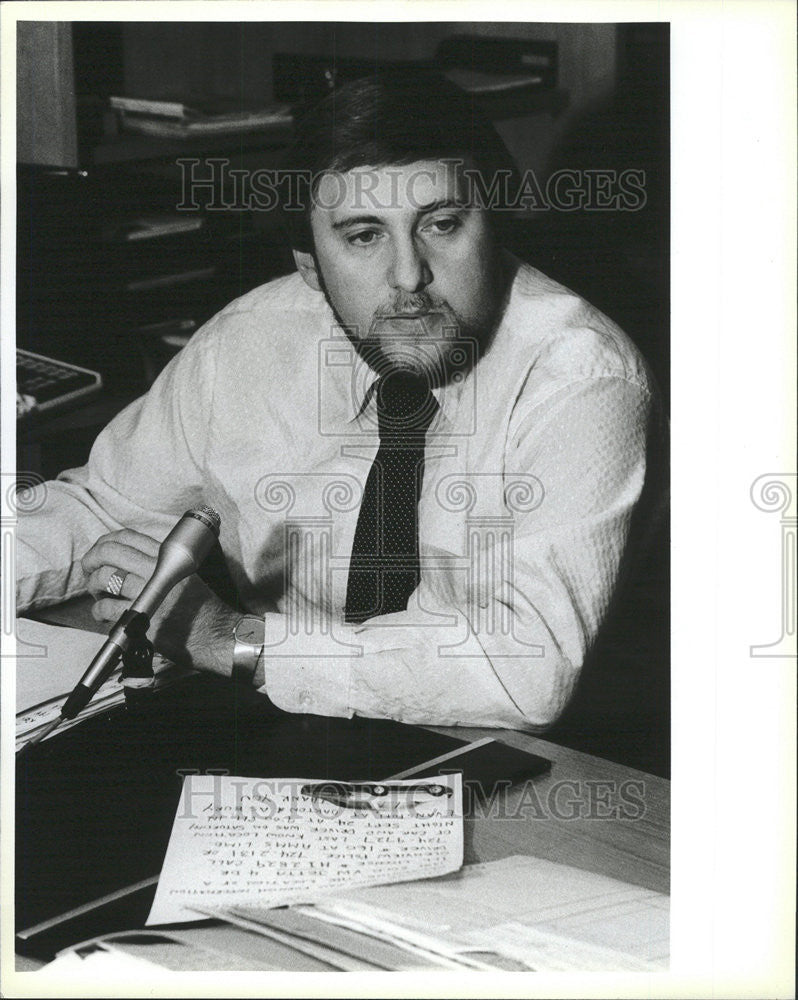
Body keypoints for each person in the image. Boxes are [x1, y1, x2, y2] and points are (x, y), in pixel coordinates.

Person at [16, 73, 666, 731]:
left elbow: (527, 671)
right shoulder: (249, 339)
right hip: (280, 723)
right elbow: (101, 507)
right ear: (307, 261)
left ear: (494, 224)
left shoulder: (583, 377)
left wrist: (230, 638)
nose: (409, 276)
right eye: (363, 235)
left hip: (502, 756)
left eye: (442, 224)